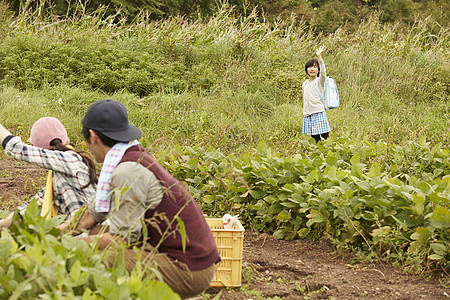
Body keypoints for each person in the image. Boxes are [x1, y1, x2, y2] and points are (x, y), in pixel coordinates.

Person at [58, 99, 220, 298]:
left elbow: (120, 240)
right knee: (98, 232)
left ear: (93, 136)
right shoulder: (128, 157)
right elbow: (90, 216)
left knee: (102, 258)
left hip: (189, 269)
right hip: (183, 257)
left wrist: (72, 248)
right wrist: (53, 236)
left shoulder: (127, 172)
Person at [0, 117, 97, 229]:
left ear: (39, 149)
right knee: (35, 213)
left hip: (88, 232)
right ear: (67, 140)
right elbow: (27, 209)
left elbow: (16, 148)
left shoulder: (71, 159)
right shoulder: (58, 176)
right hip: (78, 231)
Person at [302, 46, 331, 143]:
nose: (312, 69)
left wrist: (320, 58)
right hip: (308, 114)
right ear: (306, 70)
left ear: (318, 70)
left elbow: (323, 73)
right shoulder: (305, 84)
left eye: (315, 67)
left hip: (318, 112)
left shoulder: (320, 81)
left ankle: (328, 153)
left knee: (325, 136)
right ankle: (319, 153)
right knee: (315, 138)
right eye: (310, 67)